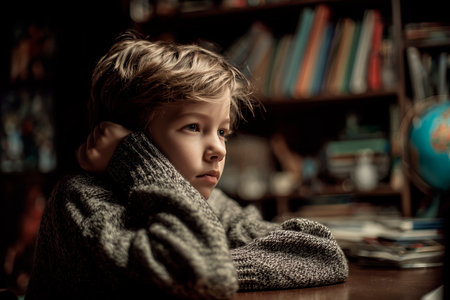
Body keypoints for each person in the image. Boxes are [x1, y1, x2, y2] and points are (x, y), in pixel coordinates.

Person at [26, 30, 348, 300]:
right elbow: (195, 275)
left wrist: (213, 265)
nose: (218, 149)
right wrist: (135, 156)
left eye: (222, 131)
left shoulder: (209, 202)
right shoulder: (80, 202)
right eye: (194, 127)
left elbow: (321, 253)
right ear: (131, 138)